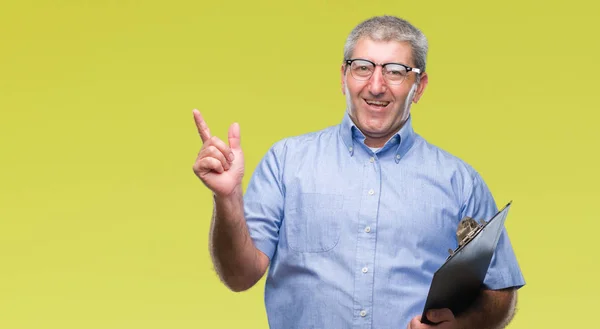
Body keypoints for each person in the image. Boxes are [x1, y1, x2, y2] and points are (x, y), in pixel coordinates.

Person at [192, 15, 525, 329]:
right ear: (343, 77)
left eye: (395, 71)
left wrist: (464, 326)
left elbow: (501, 291)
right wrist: (227, 198)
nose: (376, 85)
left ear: (419, 86)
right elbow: (239, 276)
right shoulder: (286, 162)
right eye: (362, 68)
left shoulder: (460, 182)